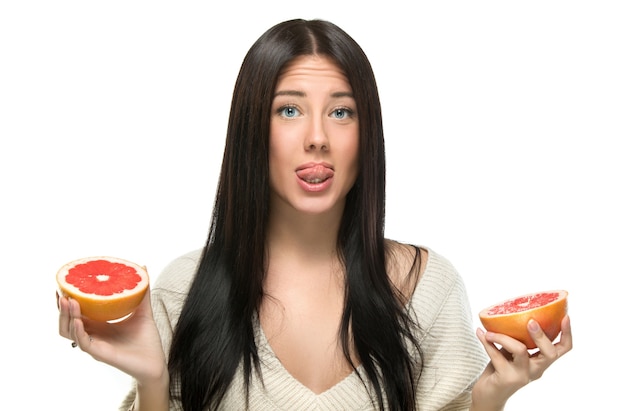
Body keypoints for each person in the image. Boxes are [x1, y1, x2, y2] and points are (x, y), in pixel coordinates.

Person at [57, 18, 573, 411]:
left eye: (342, 111)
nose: (317, 137)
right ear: (251, 132)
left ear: (365, 133)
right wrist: (152, 382)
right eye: (289, 109)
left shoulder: (428, 286)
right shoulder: (183, 287)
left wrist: (489, 394)